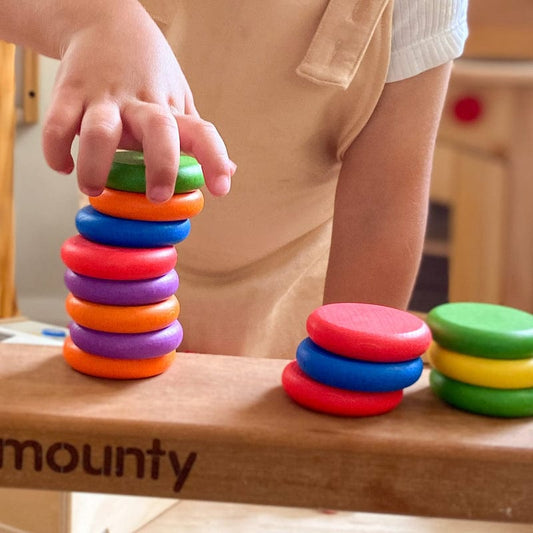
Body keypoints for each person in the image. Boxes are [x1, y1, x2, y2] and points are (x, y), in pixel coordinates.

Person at [1, 0, 469, 358]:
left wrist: (353, 378)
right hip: (109, 308)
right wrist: (94, 19)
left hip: (293, 326)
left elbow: (380, 215)